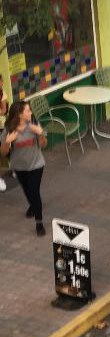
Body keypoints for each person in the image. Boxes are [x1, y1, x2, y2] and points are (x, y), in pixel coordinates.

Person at [0, 101, 48, 236]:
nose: (30, 113)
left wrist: (40, 133)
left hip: (36, 164)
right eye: (28, 111)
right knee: (27, 191)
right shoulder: (9, 129)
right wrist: (7, 142)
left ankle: (39, 222)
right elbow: (3, 153)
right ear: (20, 114)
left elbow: (44, 144)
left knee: (34, 191)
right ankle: (33, 205)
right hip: (19, 167)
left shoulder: (34, 124)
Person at [0, 74, 9, 192]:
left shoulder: (2, 93)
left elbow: (4, 110)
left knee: (6, 152)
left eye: (1, 81)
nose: (2, 83)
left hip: (3, 126)